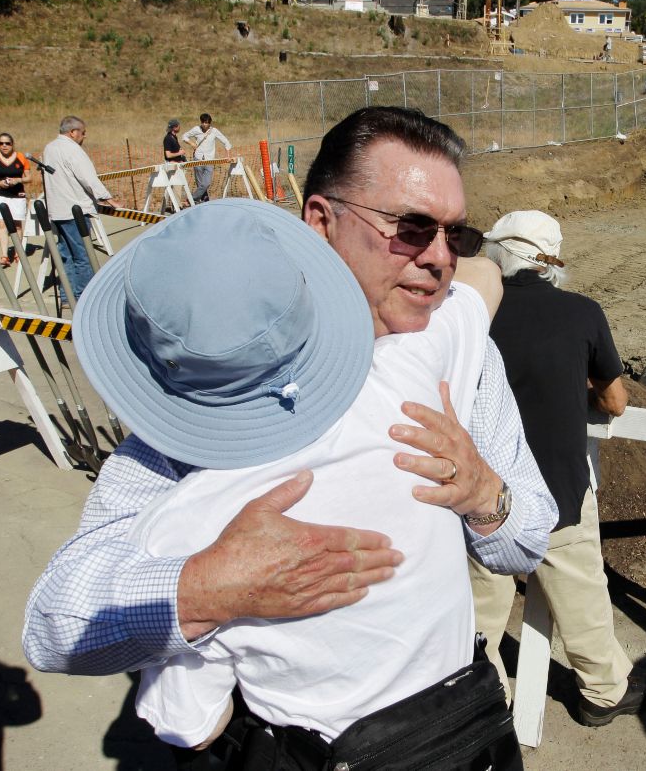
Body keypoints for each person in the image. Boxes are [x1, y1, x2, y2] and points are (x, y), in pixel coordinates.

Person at [23, 108, 555, 698]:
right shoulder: (223, 375)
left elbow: (528, 539)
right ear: (322, 221)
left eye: (455, 235)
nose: (439, 258)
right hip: (286, 735)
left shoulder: (464, 355)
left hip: (446, 719)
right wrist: (209, 587)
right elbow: (55, 626)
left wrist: (484, 494)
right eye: (411, 228)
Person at [71, 198, 523, 768]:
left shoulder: (185, 528)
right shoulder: (409, 369)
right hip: (467, 736)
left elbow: (188, 725)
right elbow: (483, 281)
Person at [469, 210, 646, 727]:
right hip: (559, 486)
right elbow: (615, 401)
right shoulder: (581, 312)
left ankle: (483, 705)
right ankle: (604, 692)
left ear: (495, 254)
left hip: (485, 491)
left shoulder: (468, 312)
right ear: (550, 263)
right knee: (581, 599)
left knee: (481, 608)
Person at [41, 116, 123, 306]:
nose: (84, 136)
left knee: (66, 254)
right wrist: (109, 199)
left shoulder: (49, 148)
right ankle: (84, 297)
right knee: (83, 255)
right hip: (75, 211)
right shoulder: (72, 150)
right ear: (73, 132)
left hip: (57, 210)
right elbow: (88, 178)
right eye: (83, 132)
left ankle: (67, 296)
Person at [0, 132, 30, 267]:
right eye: (1, 143)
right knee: (1, 224)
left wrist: (18, 180)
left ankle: (18, 252)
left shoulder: (21, 157)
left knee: (17, 224)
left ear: (12, 144)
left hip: (17, 194)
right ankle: (4, 255)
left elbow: (29, 177)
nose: (4, 146)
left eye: (7, 143)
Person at [182, 113, 232, 203]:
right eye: (203, 122)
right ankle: (204, 201)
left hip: (209, 160)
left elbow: (226, 142)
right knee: (200, 184)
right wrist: (191, 143)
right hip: (198, 159)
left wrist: (228, 155)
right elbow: (184, 136)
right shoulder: (196, 129)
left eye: (207, 123)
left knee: (206, 183)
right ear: (201, 122)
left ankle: (191, 199)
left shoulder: (214, 131)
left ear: (210, 123)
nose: (205, 124)